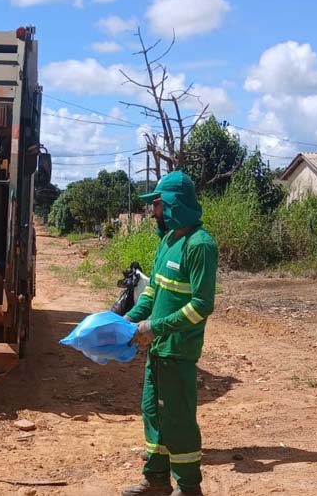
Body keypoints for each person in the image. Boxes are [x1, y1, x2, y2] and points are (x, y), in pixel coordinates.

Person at [121, 171, 218, 496]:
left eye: (159, 205)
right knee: (153, 413)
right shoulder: (169, 241)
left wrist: (154, 327)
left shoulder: (200, 246)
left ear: (174, 204)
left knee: (177, 419)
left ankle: (189, 488)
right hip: (158, 349)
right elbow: (152, 294)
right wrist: (128, 321)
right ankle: (157, 480)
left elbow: (201, 306)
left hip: (178, 349)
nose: (155, 212)